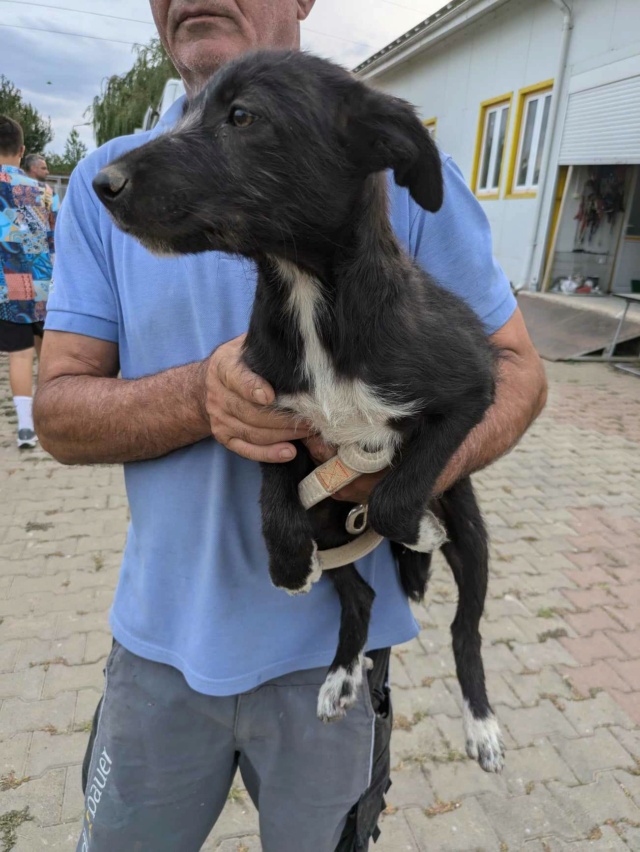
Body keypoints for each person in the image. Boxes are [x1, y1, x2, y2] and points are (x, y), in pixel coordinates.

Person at [34, 2, 547, 850]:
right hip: (160, 651)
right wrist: (201, 393)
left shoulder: (379, 162)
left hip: (333, 661)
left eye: (240, 122)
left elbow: (518, 372)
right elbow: (56, 413)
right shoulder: (110, 186)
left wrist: (403, 474)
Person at [0, 115, 53, 448]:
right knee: (47, 353)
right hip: (41, 281)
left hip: (5, 285)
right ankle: (53, 417)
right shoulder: (45, 191)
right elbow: (52, 234)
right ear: (21, 150)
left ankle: (26, 429)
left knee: (19, 356)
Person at [22, 153, 59, 257]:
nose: (47, 172)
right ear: (33, 168)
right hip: (41, 251)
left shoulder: (12, 187)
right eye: (44, 168)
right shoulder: (48, 192)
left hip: (17, 251)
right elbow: (56, 221)